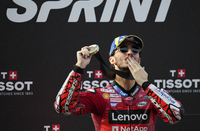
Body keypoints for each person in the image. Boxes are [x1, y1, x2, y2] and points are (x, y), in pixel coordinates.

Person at [54, 35, 184, 131]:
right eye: (123, 49)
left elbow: (176, 116)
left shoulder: (151, 93)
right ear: (112, 60)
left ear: (139, 60)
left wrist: (145, 83)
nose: (130, 53)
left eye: (135, 50)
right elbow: (63, 107)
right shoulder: (99, 95)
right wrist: (79, 67)